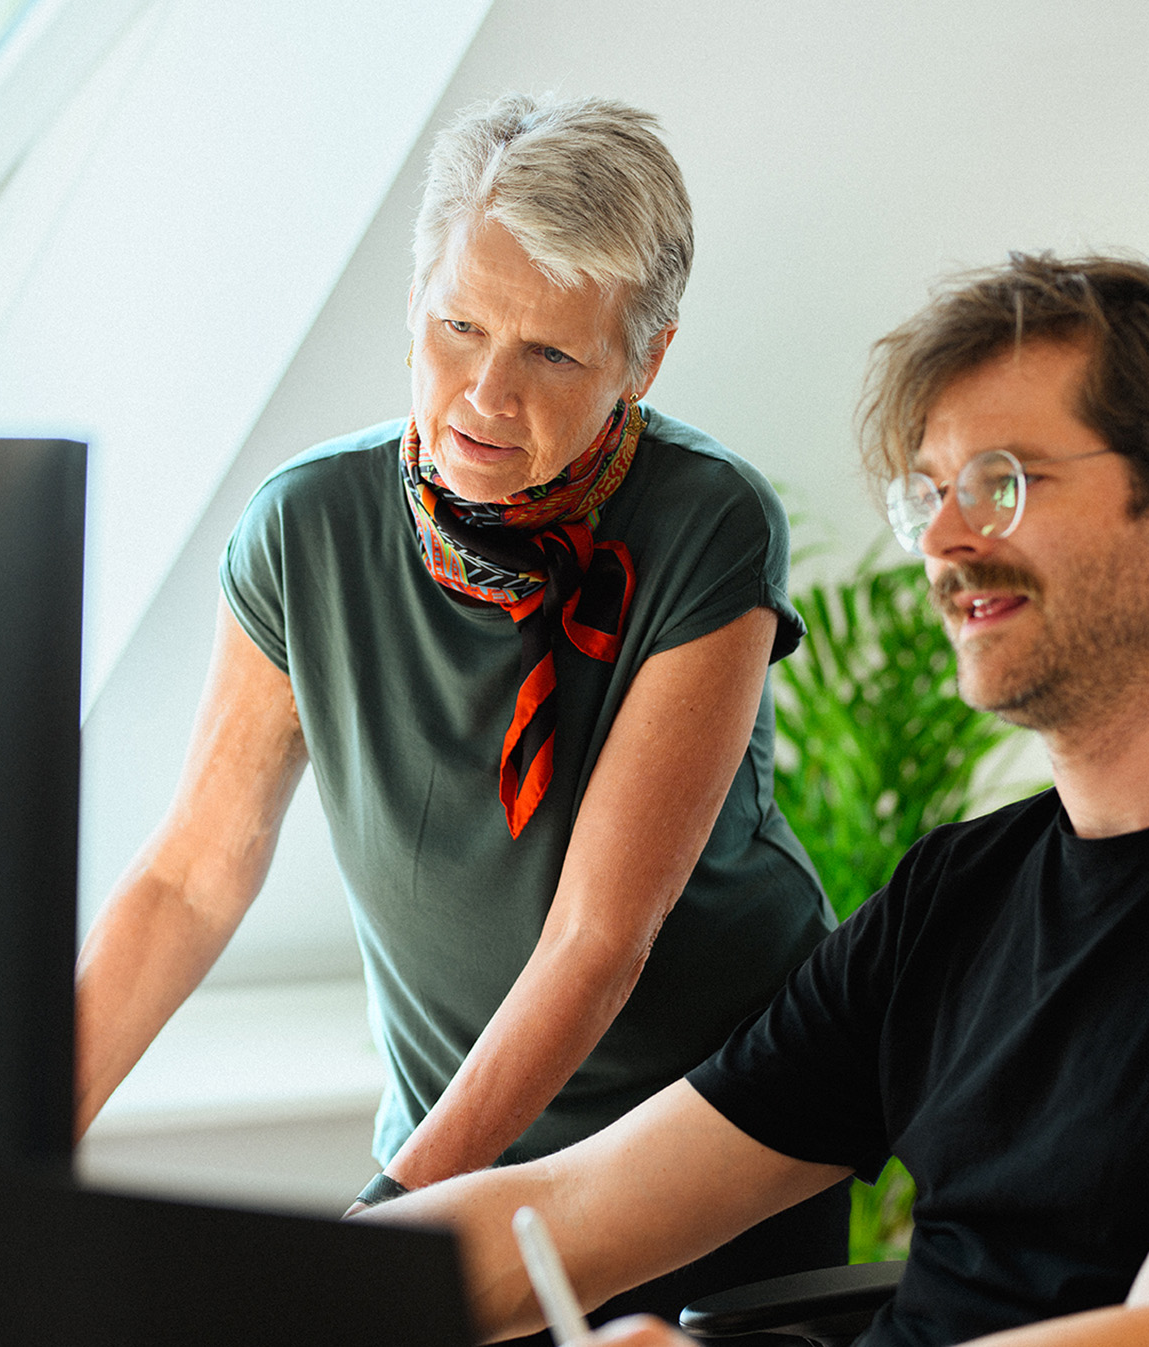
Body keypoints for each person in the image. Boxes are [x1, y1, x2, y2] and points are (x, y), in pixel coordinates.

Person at [363, 253, 1149, 1347]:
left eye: (1003, 482)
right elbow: (573, 1207)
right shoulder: (959, 895)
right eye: (928, 495)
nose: (947, 542)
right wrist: (271, 1294)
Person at [72, 92, 842, 1322]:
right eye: (458, 326)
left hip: (706, 1146)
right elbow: (192, 878)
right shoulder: (305, 528)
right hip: (446, 1125)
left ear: (642, 361)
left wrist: (387, 1219)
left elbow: (599, 938)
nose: (486, 392)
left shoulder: (710, 525)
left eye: (550, 353)